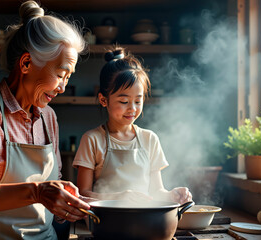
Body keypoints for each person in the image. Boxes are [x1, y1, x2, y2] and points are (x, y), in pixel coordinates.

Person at [0, 1, 90, 239]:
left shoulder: (48, 117)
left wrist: (69, 204)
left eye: (68, 77)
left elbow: (52, 186)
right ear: (26, 63)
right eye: (61, 74)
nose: (63, 87)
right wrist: (37, 192)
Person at [72, 46, 193, 204]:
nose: (132, 108)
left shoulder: (149, 139)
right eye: (124, 101)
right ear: (103, 100)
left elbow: (157, 191)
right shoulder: (92, 139)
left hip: (143, 218)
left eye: (138, 101)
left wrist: (173, 195)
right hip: (104, 219)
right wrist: (118, 197)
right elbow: (83, 195)